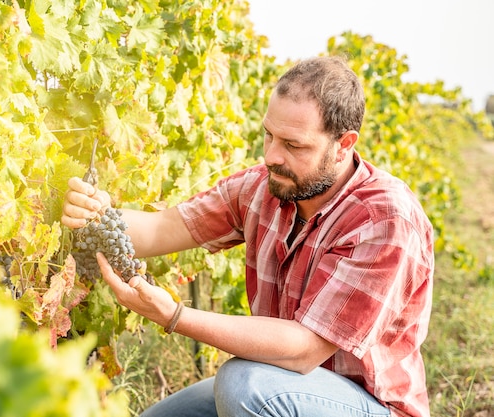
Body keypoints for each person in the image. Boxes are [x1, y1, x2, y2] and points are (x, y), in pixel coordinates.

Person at [62, 56, 433, 417]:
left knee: (244, 386)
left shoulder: (383, 219)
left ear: (344, 144)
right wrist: (97, 213)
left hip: (366, 404)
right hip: (283, 383)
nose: (271, 156)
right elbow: (162, 229)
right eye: (269, 136)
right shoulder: (264, 187)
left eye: (293, 144)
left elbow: (303, 350)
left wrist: (174, 315)